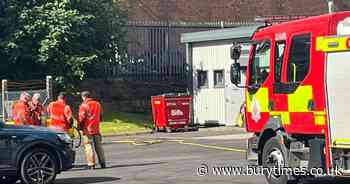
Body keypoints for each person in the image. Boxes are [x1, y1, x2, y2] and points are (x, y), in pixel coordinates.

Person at [78, 91, 106, 169]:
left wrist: (79, 127)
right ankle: (102, 163)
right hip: (96, 129)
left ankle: (91, 164)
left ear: (83, 97)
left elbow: (81, 118)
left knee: (88, 146)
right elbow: (101, 116)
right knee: (99, 146)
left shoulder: (83, 105)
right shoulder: (97, 104)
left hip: (87, 130)